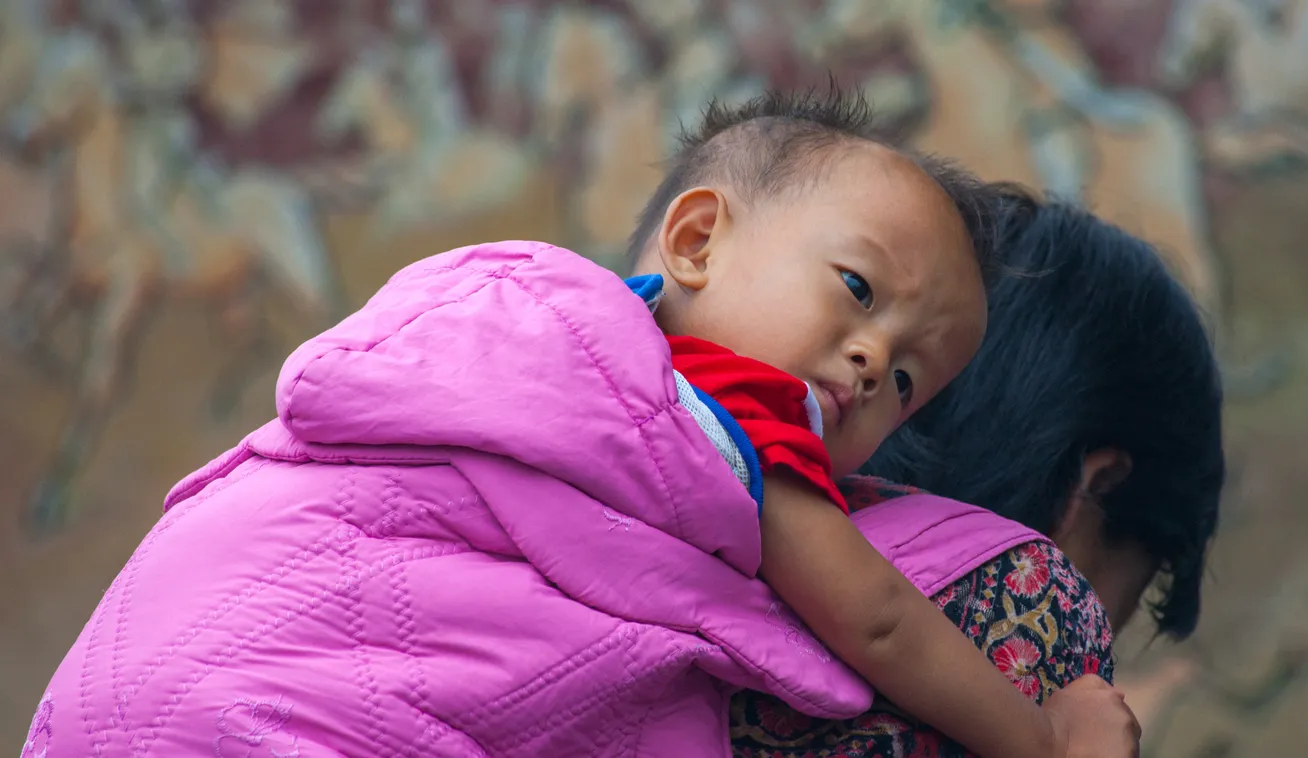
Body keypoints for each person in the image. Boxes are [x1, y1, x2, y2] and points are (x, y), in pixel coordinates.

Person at [21, 91, 1133, 758]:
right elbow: (880, 622)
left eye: (906, 382)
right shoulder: (735, 418)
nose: (869, 360)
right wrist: (1051, 738)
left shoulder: (476, 334)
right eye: (856, 290)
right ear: (695, 241)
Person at [731, 190, 1225, 756]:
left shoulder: (707, 492)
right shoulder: (1033, 611)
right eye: (1106, 625)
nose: (1097, 686)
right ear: (1093, 485)